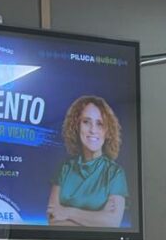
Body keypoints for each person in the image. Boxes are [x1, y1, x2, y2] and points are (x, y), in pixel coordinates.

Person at [47, 96, 128, 229]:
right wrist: (97, 219)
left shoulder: (115, 173)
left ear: (107, 131)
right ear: (76, 126)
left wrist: (67, 212)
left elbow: (112, 223)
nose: (93, 130)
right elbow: (53, 221)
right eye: (86, 122)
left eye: (99, 124)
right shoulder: (65, 168)